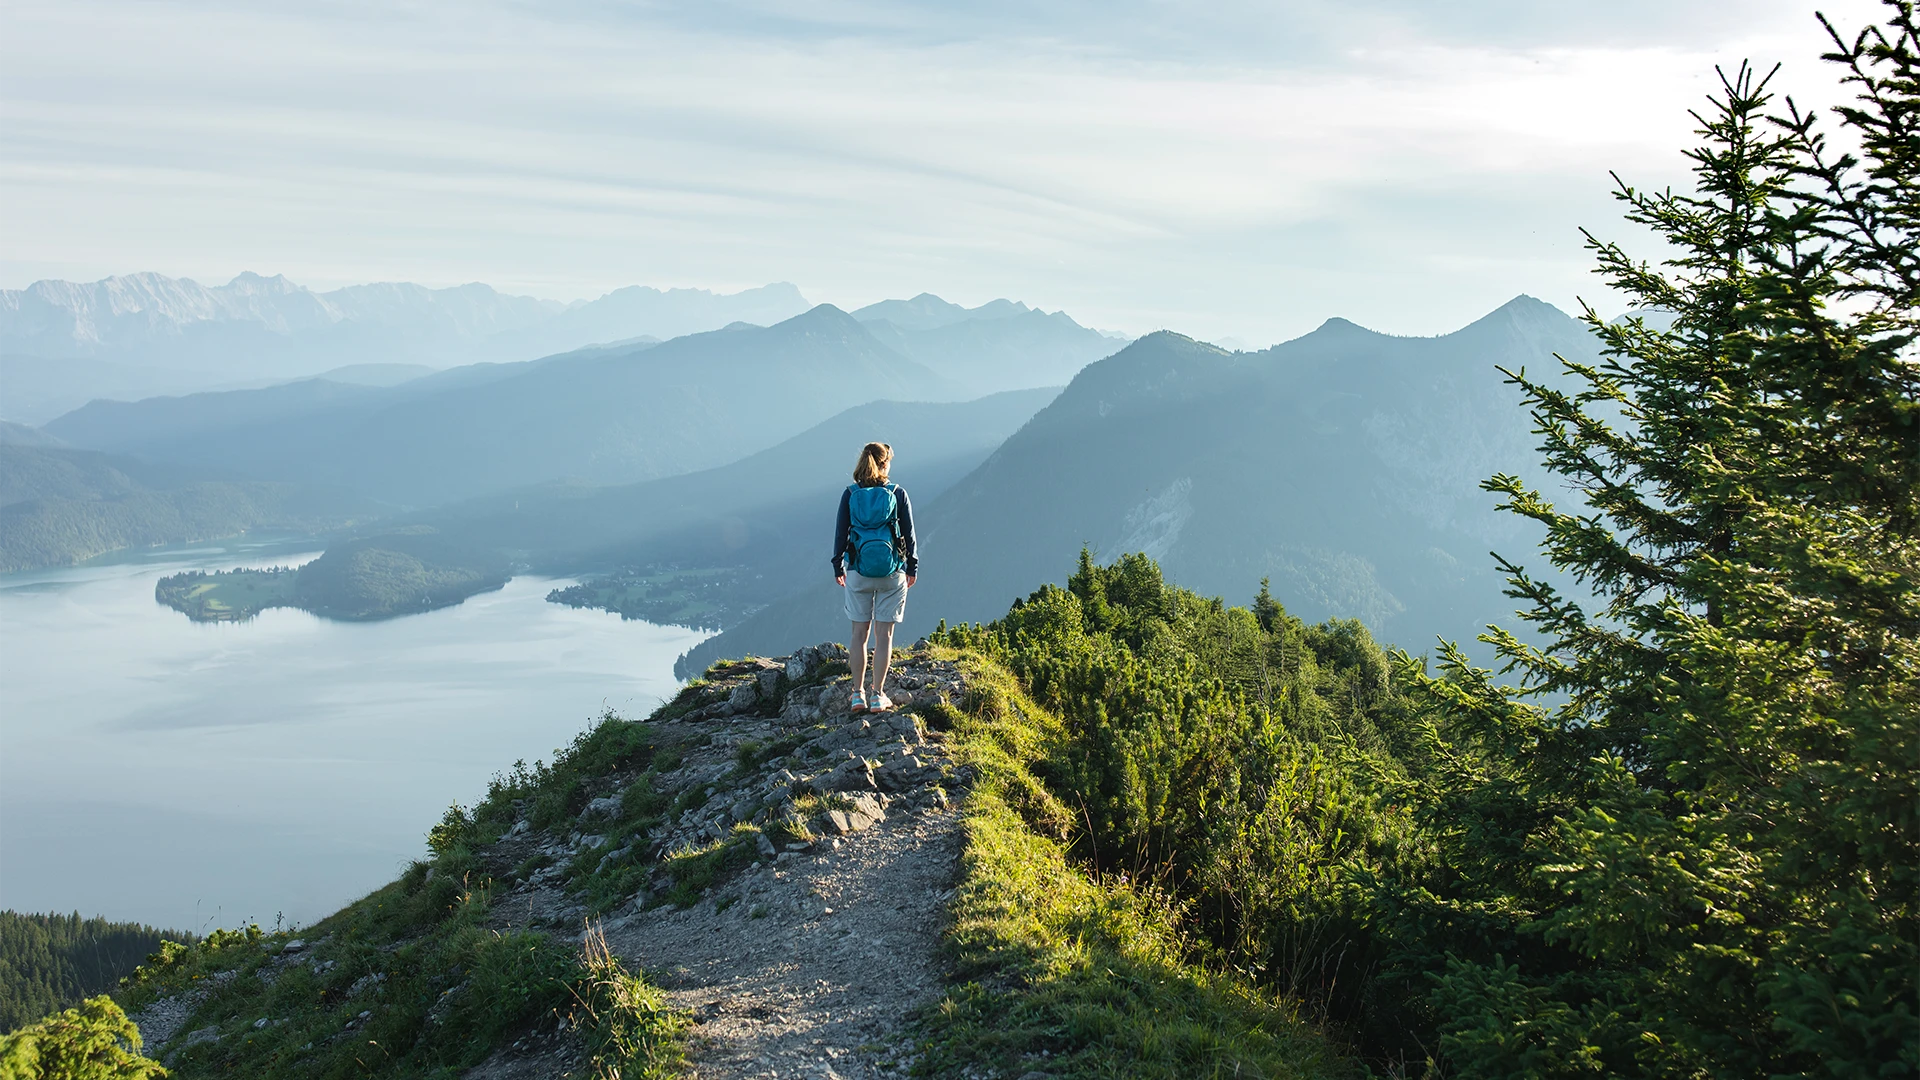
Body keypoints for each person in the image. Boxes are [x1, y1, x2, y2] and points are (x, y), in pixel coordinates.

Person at [832, 441, 917, 714]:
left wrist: (838, 566)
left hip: (857, 570)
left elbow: (841, 534)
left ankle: (857, 695)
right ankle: (878, 695)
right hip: (891, 572)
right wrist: (912, 567)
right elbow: (909, 535)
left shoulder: (850, 494)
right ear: (885, 464)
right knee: (885, 635)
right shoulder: (897, 493)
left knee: (859, 634)